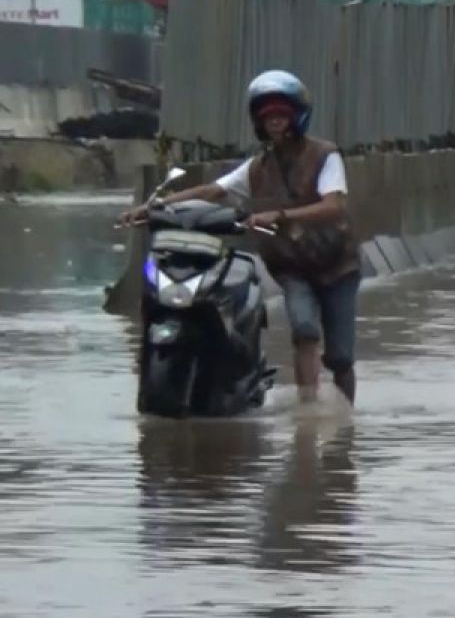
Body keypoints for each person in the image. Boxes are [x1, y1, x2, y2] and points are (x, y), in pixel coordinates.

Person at [119, 70, 362, 405]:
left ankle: (346, 422)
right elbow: (213, 190)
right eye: (268, 116)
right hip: (292, 268)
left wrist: (279, 216)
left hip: (337, 266)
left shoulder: (324, 156)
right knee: (304, 332)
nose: (275, 121)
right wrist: (153, 207)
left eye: (281, 114)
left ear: (297, 116)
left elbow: (334, 205)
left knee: (340, 357)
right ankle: (310, 415)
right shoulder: (257, 167)